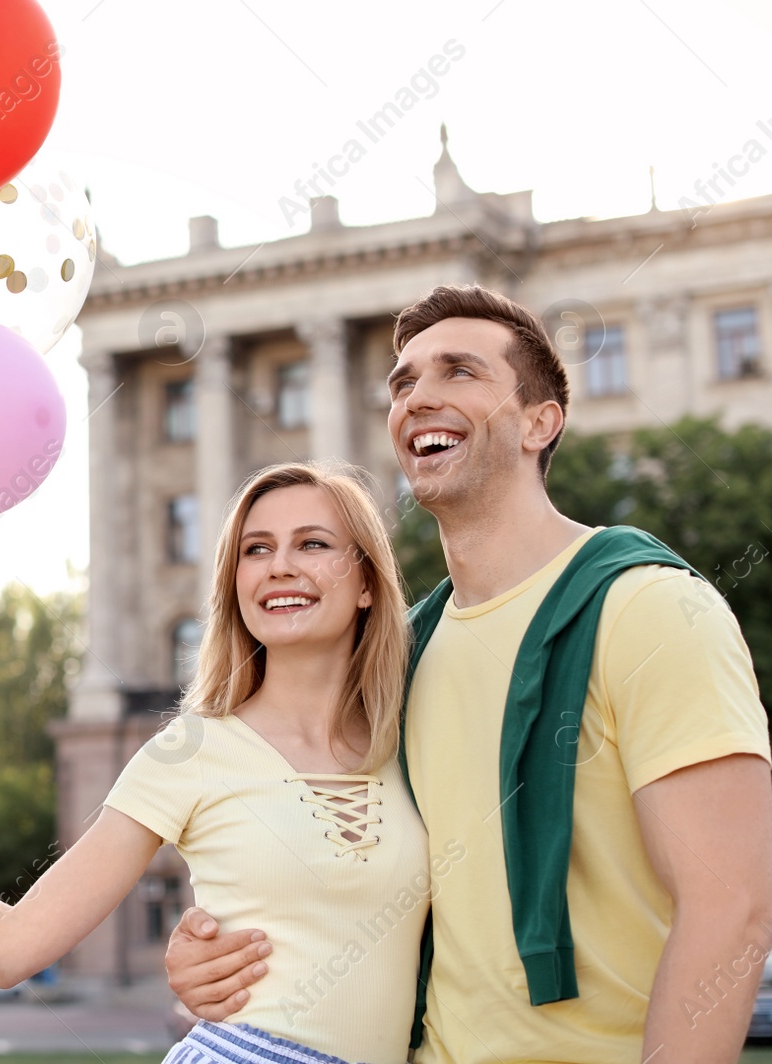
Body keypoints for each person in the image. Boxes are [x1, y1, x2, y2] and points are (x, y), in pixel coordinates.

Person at [165, 285, 772, 1063]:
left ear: (539, 421)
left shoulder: (649, 609)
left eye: (460, 372)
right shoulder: (399, 655)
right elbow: (335, 873)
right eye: (404, 381)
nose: (420, 397)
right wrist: (207, 947)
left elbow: (734, 907)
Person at [0, 461, 431, 1063]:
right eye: (255, 549)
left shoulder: (415, 737)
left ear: (369, 583)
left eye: (313, 544)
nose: (279, 567)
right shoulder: (191, 755)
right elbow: (10, 948)